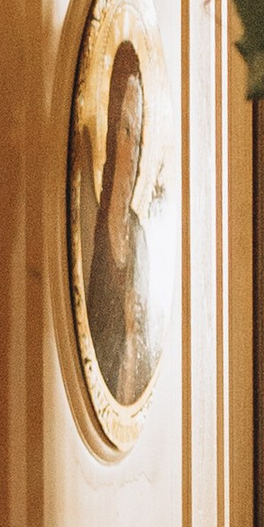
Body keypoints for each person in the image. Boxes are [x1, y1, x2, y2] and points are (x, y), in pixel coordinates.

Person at [79, 35, 156, 407]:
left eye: (137, 139)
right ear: (110, 133)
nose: (131, 152)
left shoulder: (139, 237)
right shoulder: (87, 227)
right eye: (125, 131)